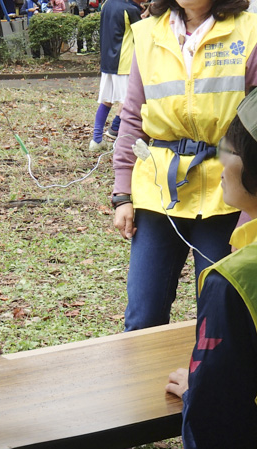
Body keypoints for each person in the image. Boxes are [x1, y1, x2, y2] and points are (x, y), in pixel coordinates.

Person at [112, 0, 257, 331]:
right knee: (143, 314)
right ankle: (142, 382)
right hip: (160, 192)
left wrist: (251, 209)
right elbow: (132, 117)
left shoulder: (249, 32)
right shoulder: (148, 33)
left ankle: (208, 380)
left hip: (227, 194)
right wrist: (123, 193)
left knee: (219, 312)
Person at [165, 88, 257, 449]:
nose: (218, 161)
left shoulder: (234, 281)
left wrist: (196, 392)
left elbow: (214, 419)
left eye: (227, 150)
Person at [89, 0, 143, 151]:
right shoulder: (131, 10)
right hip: (125, 61)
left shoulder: (107, 4)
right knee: (129, 101)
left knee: (106, 101)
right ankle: (117, 133)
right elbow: (142, 33)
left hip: (107, 62)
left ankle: (96, 139)